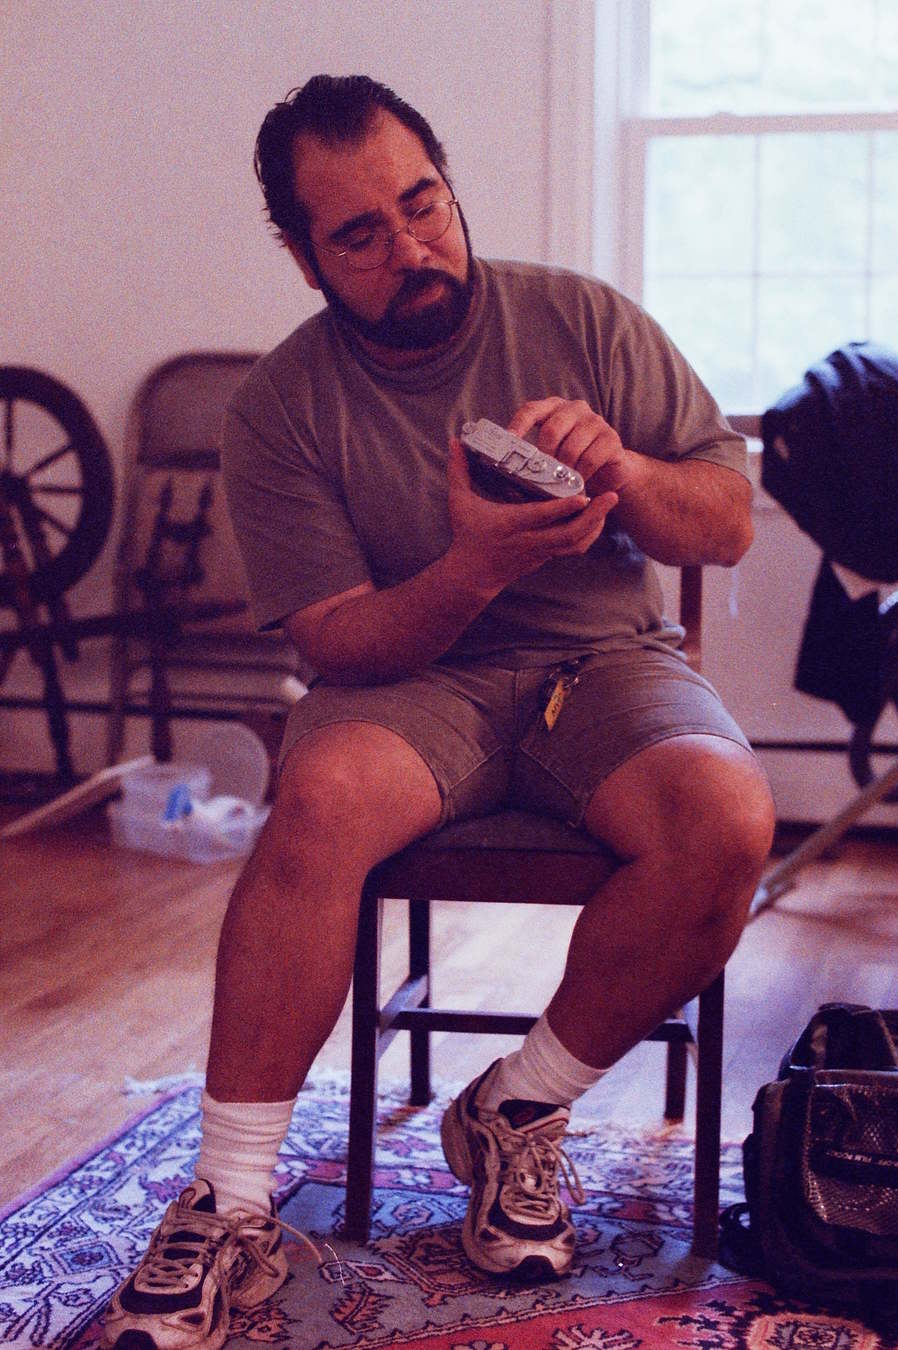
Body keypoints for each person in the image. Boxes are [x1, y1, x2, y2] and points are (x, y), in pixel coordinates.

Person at [103, 74, 775, 1350]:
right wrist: (475, 566)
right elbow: (336, 638)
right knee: (317, 801)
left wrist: (625, 471)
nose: (411, 249)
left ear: (451, 187)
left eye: (424, 204)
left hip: (606, 662)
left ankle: (517, 1106)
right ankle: (230, 1203)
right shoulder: (278, 406)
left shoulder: (582, 318)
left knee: (728, 819)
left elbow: (729, 524)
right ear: (304, 257)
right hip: (410, 684)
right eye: (360, 234)